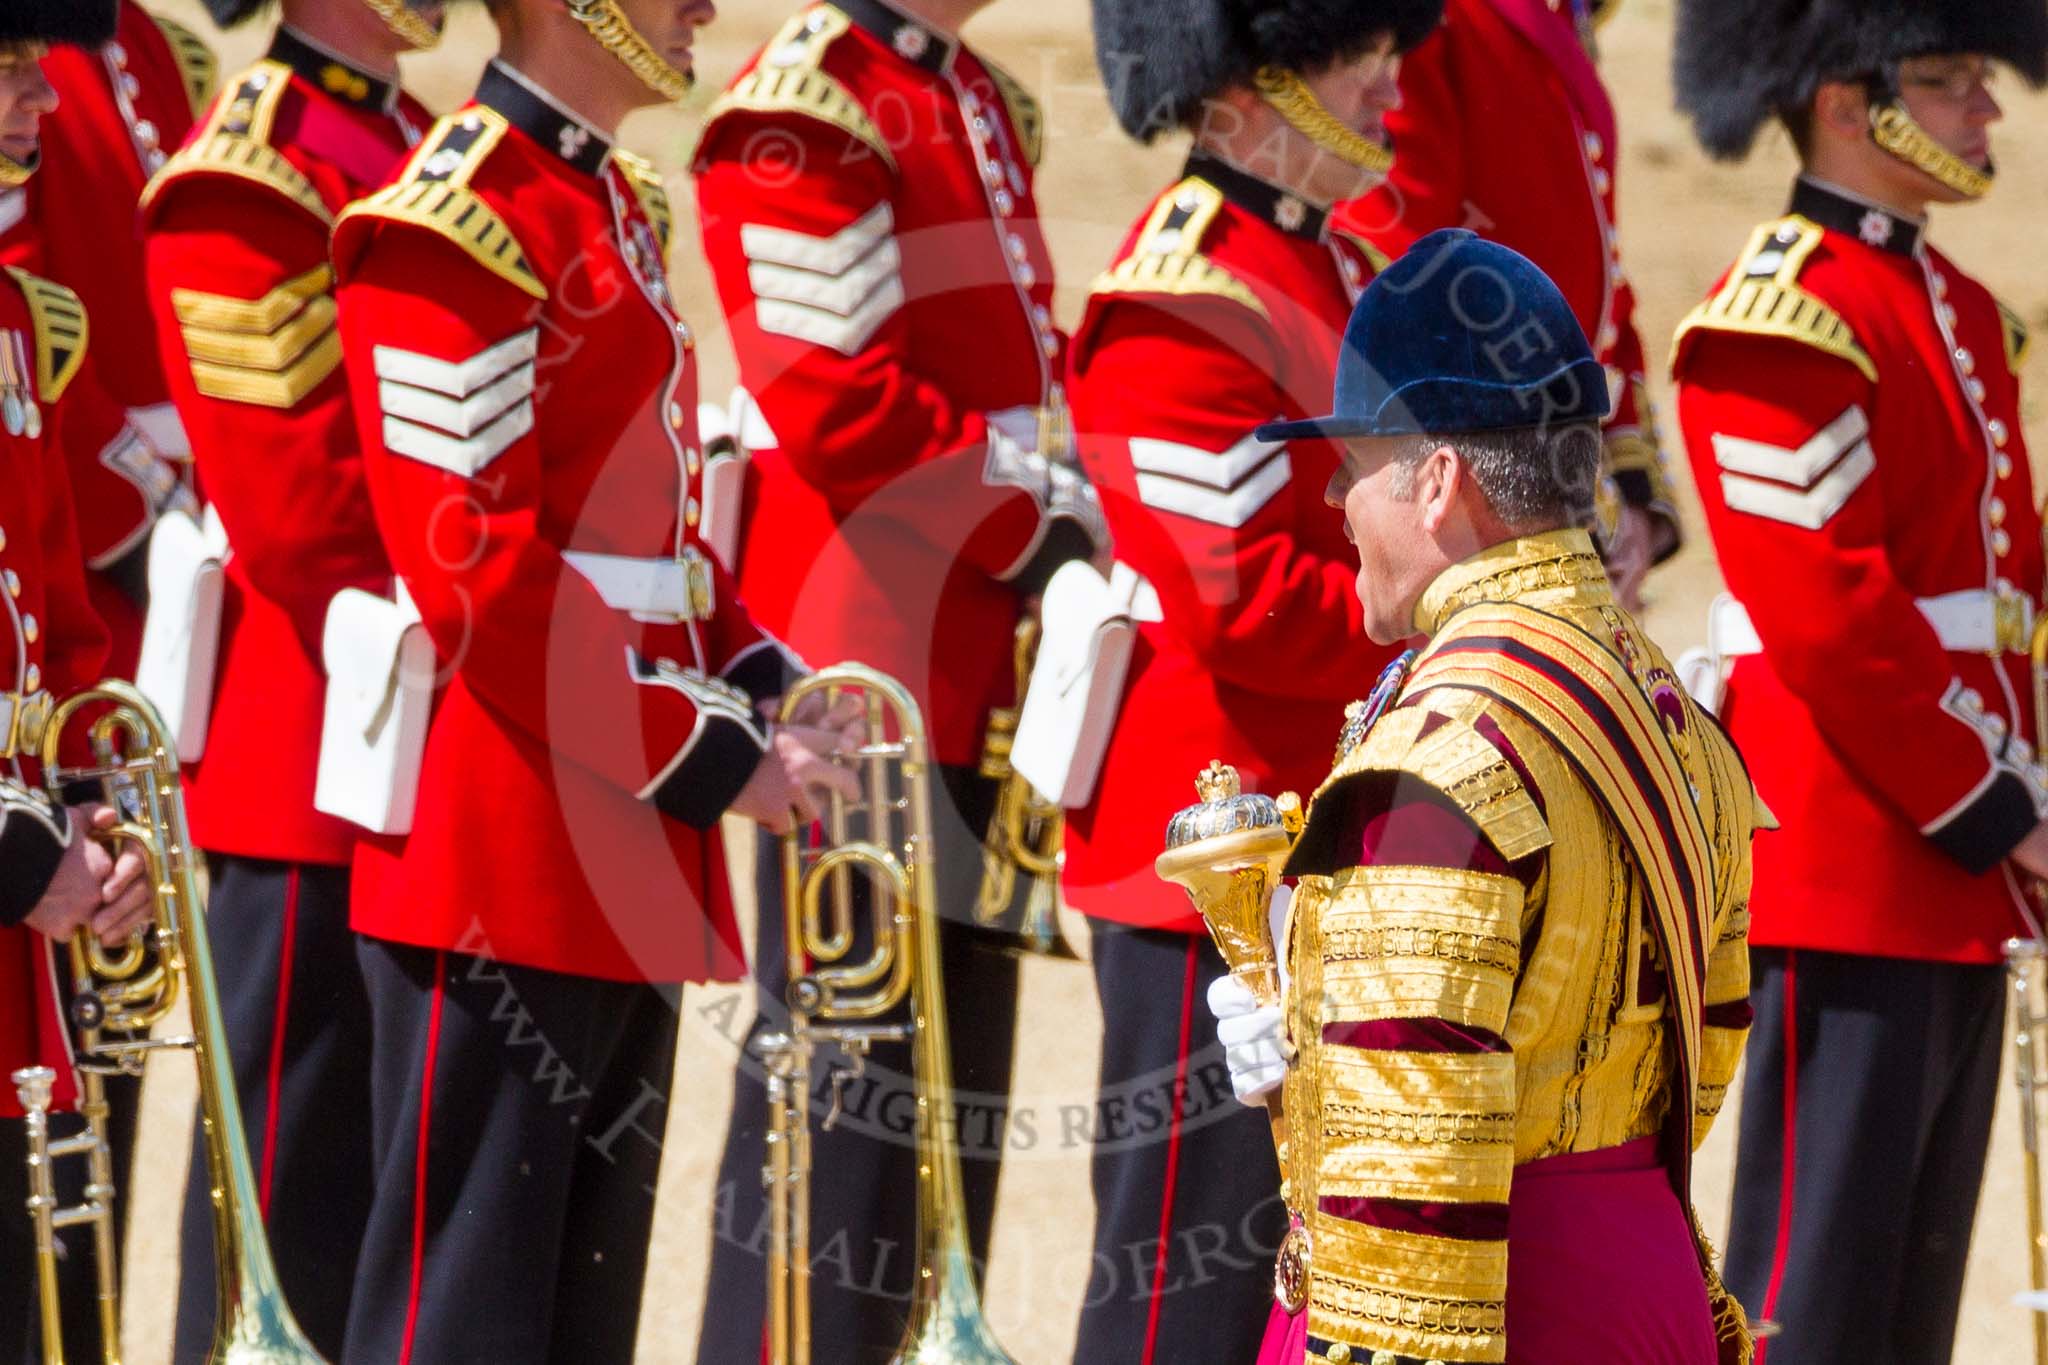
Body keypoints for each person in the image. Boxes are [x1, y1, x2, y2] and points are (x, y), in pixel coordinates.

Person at [328, 1, 851, 1359]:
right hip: (506, 841)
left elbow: (652, 533)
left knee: (579, 1307)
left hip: (616, 815)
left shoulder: (599, 194)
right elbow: (476, 576)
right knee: (468, 1312)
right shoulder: (454, 218)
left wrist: (761, 668)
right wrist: (712, 749)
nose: (703, 12)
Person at [1202, 228, 1763, 1364]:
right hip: (1637, 1280)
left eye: (1356, 465)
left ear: (1439, 481)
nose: (1335, 498)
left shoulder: (1437, 749)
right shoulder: (1665, 704)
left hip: (1503, 1308)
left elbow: (1405, 1194)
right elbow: (1698, 1059)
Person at [689, 1, 1108, 1355]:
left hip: (981, 664)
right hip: (871, 663)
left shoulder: (967, 93)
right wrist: (1042, 525)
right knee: (845, 1121)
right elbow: (837, 397)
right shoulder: (805, 109)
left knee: (946, 1116)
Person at [1670, 0, 2048, 1357]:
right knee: (1814, 1297)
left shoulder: (1949, 307)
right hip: (1852, 858)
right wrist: (2003, 806)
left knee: (1912, 1295)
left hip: (1951, 854)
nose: (1984, 113)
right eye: (1947, 83)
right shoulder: (1785, 312)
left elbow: (2008, 595)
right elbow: (1834, 617)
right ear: (1847, 103)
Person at [1059, 1, 1437, 1359]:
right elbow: (1245, 602)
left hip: (1328, 845)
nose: (1390, 84)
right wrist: (1454, 613)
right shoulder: (1184, 292)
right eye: (1359, 54)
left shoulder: (1323, 262)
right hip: (1214, 865)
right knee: (1185, 1300)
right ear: (1258, 78)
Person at [138, 1, 449, 1356]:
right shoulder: (248, 170)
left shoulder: (415, 137)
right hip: (318, 744)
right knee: (293, 1193)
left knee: (397, 1184)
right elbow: (298, 513)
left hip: (426, 725)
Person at [0, 11, 155, 1362]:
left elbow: (55, 625)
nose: (35, 99)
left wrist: (93, 830)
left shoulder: (14, 322)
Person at [1339, 0, 1680, 610]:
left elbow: (1603, 283)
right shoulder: (1440, 22)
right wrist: (1541, 500)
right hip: (1479, 511)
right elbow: (1410, 278)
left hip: (1563, 499)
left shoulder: (1556, 18)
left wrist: (1631, 496)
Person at [0, 0, 211, 677]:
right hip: (101, 523)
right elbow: (27, 318)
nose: (45, 91)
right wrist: (147, 519)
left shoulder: (151, 41)